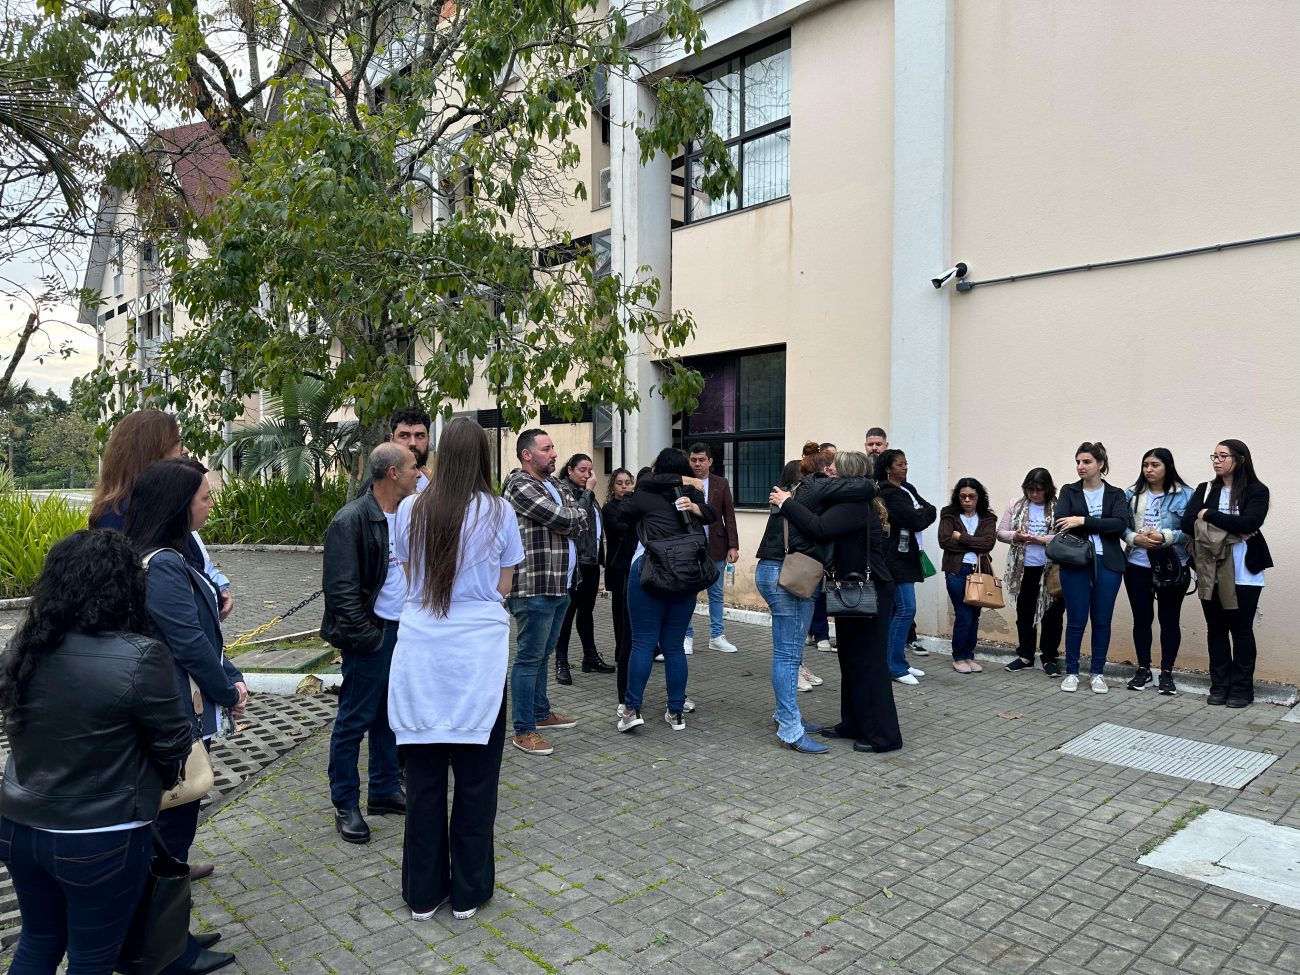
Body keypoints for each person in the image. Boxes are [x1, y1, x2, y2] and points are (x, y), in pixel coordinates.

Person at [0, 530, 198, 975]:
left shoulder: (22, 649)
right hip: (101, 834)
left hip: (19, 828)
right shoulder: (141, 656)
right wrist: (163, 781)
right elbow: (173, 744)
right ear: (126, 586)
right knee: (92, 956)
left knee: (38, 940)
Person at [387, 418, 524, 922]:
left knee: (422, 783)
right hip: (478, 656)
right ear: (484, 459)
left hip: (421, 651)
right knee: (476, 782)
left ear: (440, 455)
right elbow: (504, 584)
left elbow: (407, 579)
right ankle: (468, 892)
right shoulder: (498, 511)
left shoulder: (408, 509)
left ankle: (422, 895)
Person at [124, 459, 246, 975]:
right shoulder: (165, 563)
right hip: (178, 713)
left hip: (178, 706)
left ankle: (172, 936)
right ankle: (165, 952)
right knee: (170, 839)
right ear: (179, 505)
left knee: (171, 835)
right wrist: (228, 687)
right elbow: (190, 644)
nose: (210, 504)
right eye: (203, 497)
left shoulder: (169, 555)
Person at [320, 444, 420, 843]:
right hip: (373, 634)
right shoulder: (351, 520)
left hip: (403, 630)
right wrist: (371, 639)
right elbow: (341, 594)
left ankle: (383, 789)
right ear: (393, 472)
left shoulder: (409, 514)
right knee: (354, 720)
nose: (419, 471)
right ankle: (345, 803)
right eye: (413, 466)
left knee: (389, 716)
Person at [773, 451, 901, 754]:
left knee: (869, 663)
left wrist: (786, 503)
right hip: (850, 588)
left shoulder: (855, 504)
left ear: (846, 474)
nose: (829, 471)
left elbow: (819, 528)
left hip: (870, 590)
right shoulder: (850, 500)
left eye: (835, 468)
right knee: (851, 659)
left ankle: (884, 736)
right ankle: (853, 724)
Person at [89, 409, 234, 622]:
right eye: (176, 443)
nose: (184, 451)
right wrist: (215, 598)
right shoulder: (128, 514)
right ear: (152, 451)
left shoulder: (135, 505)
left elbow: (198, 560)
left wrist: (218, 587)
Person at [616, 448, 716, 733]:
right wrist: (694, 498)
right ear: (685, 469)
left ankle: (631, 709)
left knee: (643, 643)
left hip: (650, 572)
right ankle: (675, 712)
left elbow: (622, 512)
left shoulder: (644, 494)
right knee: (673, 646)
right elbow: (711, 515)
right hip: (686, 574)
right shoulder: (692, 494)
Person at [503, 429, 588, 755]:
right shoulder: (519, 484)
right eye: (547, 449)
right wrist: (571, 516)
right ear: (527, 455)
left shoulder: (553, 485)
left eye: (553, 448)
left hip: (559, 585)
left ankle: (540, 713)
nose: (554, 454)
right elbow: (561, 516)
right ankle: (523, 730)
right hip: (533, 586)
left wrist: (571, 516)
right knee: (528, 658)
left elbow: (576, 519)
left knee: (542, 655)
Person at [1180, 440, 1271, 707]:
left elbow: (1251, 522)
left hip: (1245, 571)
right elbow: (1187, 523)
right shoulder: (1205, 488)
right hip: (1210, 569)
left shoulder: (1257, 490)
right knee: (1216, 629)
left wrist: (1207, 515)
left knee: (1241, 630)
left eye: (1223, 456)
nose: (1216, 461)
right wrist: (1228, 525)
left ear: (1240, 459)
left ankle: (1242, 689)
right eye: (1214, 456)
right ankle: (1219, 685)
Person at [1053, 442, 1132, 694]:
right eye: (1077, 461)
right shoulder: (1069, 491)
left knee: (1101, 621)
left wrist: (1082, 521)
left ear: (1100, 464)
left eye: (1086, 462)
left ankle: (1097, 673)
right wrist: (1097, 524)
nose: (1080, 466)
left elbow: (1120, 524)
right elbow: (1061, 522)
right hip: (1076, 562)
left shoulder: (1116, 494)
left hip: (1108, 562)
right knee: (1076, 620)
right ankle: (1073, 673)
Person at [1122, 449, 1194, 695]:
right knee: (1142, 619)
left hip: (1173, 566)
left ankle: (1166, 673)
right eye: (1145, 465)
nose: (1149, 470)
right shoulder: (1131, 494)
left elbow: (1192, 529)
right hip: (1137, 565)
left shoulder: (1185, 495)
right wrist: (1134, 539)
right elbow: (1121, 527)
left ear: (1168, 467)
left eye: (1155, 465)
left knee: (1169, 620)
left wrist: (1166, 536)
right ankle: (1143, 669)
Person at [874, 449, 936, 685]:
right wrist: (922, 513)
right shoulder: (888, 492)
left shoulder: (907, 489)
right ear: (888, 468)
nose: (905, 467)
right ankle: (894, 667)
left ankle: (897, 660)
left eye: (906, 463)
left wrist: (923, 512)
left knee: (899, 611)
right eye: (900, 464)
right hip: (895, 560)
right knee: (905, 609)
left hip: (908, 555)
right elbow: (918, 519)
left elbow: (929, 508)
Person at [997, 468, 1065, 676]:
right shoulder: (1015, 505)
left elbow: (1065, 535)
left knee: (1053, 614)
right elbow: (1000, 532)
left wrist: (1041, 539)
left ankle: (1049, 657)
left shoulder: (1059, 506)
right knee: (1024, 612)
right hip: (1023, 568)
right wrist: (1015, 536)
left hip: (1051, 569)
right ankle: (1025, 654)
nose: (1034, 494)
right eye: (1030, 489)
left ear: (1047, 489)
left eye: (1039, 490)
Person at [554, 453, 615, 683]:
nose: (587, 475)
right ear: (569, 470)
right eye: (582, 470)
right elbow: (575, 517)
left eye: (590, 470)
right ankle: (561, 660)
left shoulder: (586, 493)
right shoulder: (563, 490)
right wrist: (589, 490)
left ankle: (590, 656)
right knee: (567, 613)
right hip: (573, 562)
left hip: (589, 561)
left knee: (586, 611)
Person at [938, 478, 997, 675]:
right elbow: (945, 541)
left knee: (974, 615)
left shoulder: (988, 517)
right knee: (963, 613)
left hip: (979, 571)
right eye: (963, 496)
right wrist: (974, 542)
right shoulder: (949, 514)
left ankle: (969, 654)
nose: (967, 500)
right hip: (957, 570)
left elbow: (988, 544)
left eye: (971, 496)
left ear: (979, 497)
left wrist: (961, 537)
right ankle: (959, 656)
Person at [684, 443, 740, 653]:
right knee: (688, 592)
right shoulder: (684, 482)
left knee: (716, 593)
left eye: (701, 460)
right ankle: (686, 635)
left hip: (717, 544)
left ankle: (717, 636)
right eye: (693, 460)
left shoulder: (721, 483)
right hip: (690, 546)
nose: (697, 464)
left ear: (710, 461)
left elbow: (729, 516)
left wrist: (733, 545)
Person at [602, 468, 637, 709]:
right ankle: (620, 650)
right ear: (613, 486)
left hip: (633, 565)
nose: (623, 486)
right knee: (618, 611)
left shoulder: (635, 506)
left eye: (627, 482)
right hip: (617, 565)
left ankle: (635, 650)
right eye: (619, 483)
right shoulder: (610, 508)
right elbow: (618, 528)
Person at [390, 406, 433, 491]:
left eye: (420, 436)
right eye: (404, 436)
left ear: (428, 439)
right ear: (392, 439)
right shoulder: (377, 489)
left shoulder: (436, 487)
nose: (413, 443)